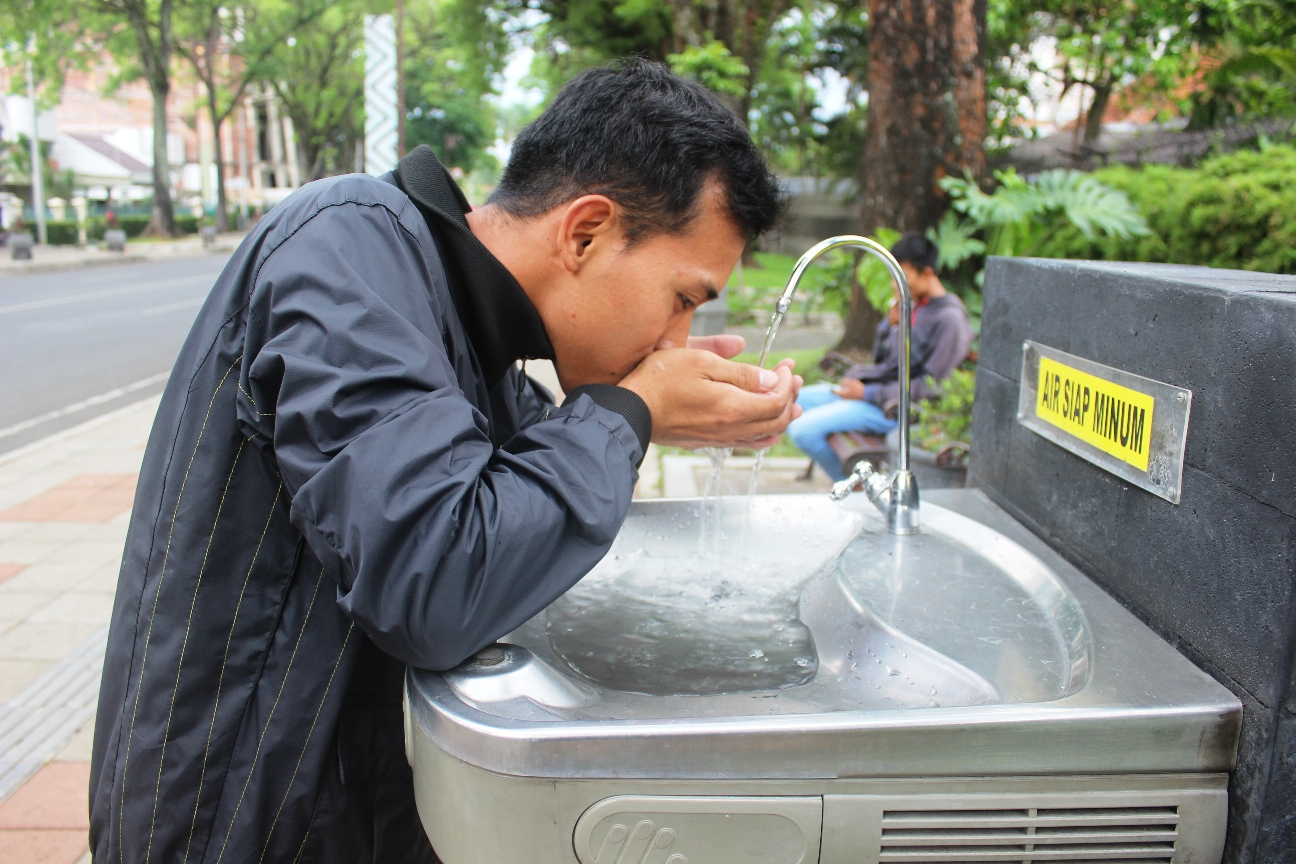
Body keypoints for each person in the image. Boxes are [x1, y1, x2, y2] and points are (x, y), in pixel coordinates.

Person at [89, 60, 799, 864]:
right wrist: (631, 411)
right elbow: (438, 578)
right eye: (683, 298)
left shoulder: (469, 331)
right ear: (585, 231)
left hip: (343, 808)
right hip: (240, 822)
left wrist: (652, 413)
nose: (675, 340)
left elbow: (520, 504)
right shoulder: (349, 244)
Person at [788, 232, 974, 481]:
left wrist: (867, 394)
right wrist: (889, 324)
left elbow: (933, 387)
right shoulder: (915, 305)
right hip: (874, 394)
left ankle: (856, 488)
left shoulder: (949, 319)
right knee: (794, 399)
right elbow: (882, 360)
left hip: (897, 410)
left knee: (803, 430)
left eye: (903, 276)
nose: (895, 284)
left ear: (927, 272)